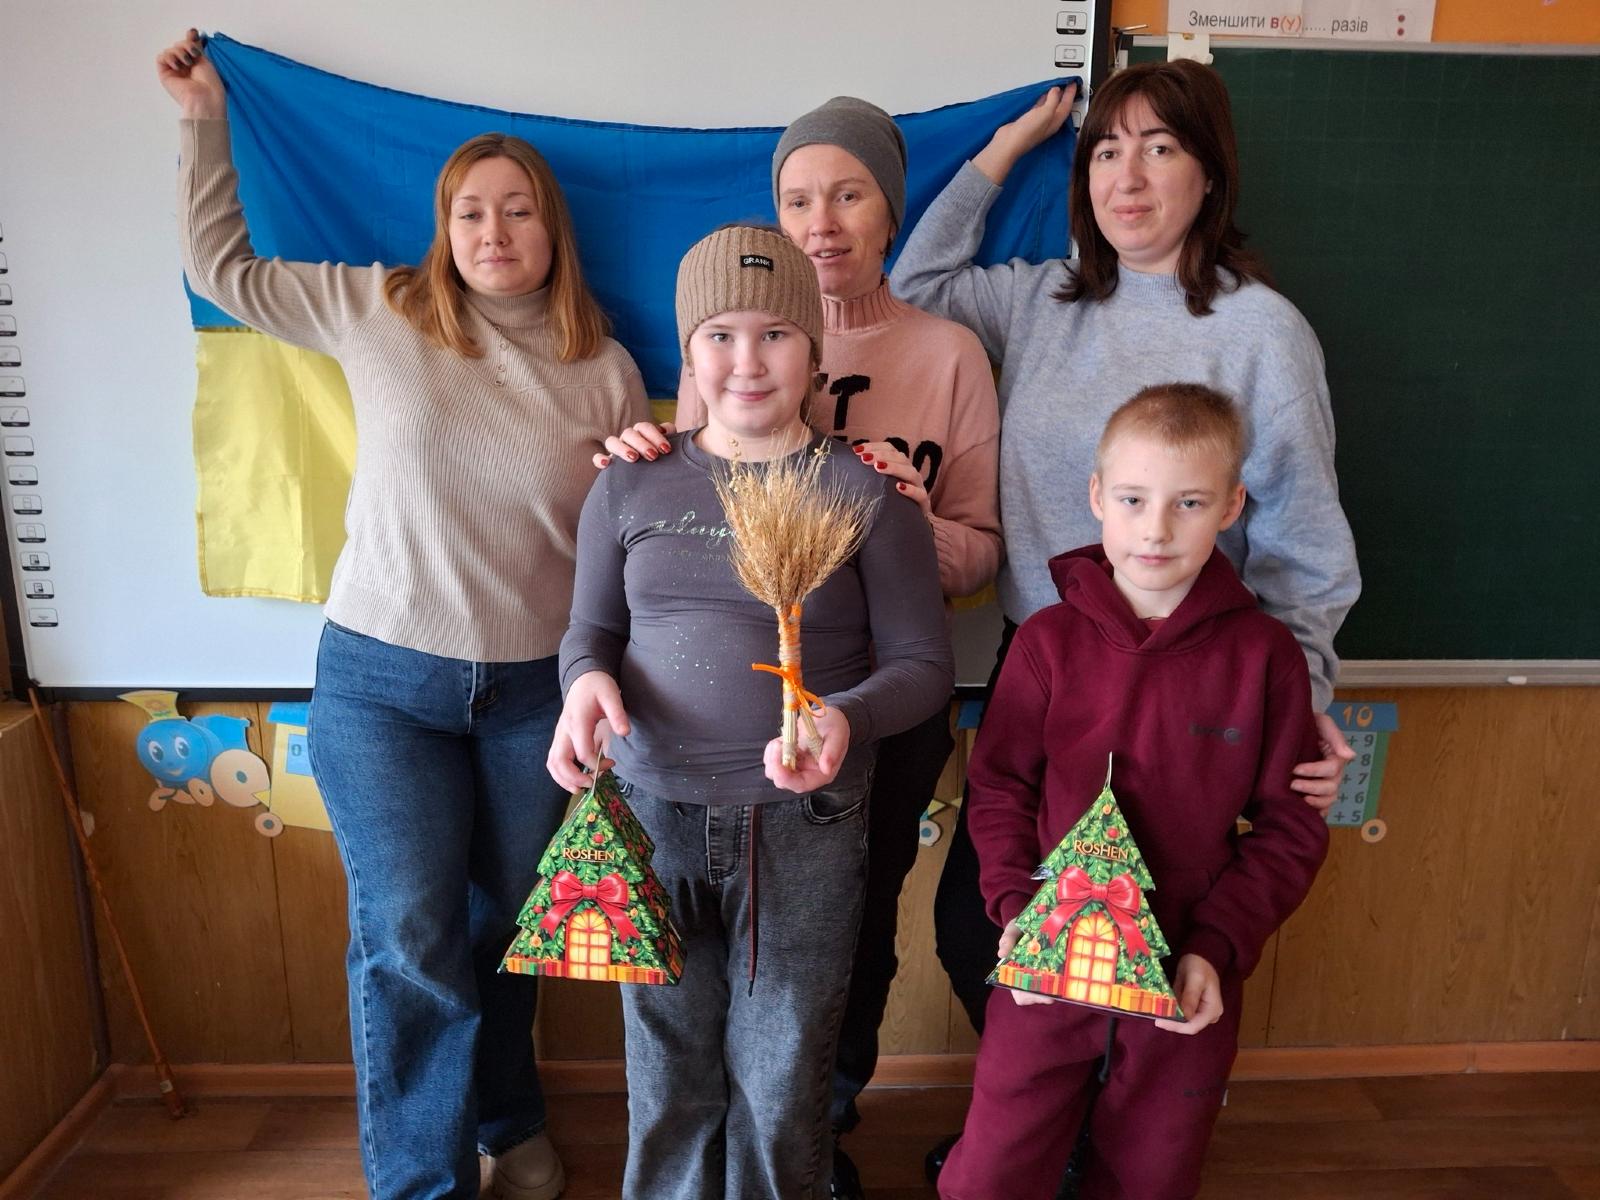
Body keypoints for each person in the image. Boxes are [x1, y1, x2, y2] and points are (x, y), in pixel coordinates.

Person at [158, 30, 647, 1200]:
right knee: (410, 936)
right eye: (470, 212)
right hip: (382, 686)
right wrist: (203, 120)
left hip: (532, 697)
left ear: (553, 230)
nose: (493, 232)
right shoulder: (382, 307)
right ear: (443, 228)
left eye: (517, 211)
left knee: (505, 928)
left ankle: (508, 1119)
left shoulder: (607, 369)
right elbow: (222, 269)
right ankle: (422, 1182)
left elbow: (621, 548)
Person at [888, 60, 1361, 1113]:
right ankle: (1050, 1128)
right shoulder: (1044, 300)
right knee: (980, 928)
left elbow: (1304, 544)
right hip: (1045, 664)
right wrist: (1004, 151)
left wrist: (1301, 700)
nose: (1128, 176)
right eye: (1105, 151)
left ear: (1210, 174)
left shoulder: (1260, 332)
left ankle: (1106, 1140)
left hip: (1196, 683)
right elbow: (914, 288)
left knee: (1163, 931)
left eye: (1160, 148)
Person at [597, 98, 1001, 1198]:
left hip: (841, 757)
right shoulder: (675, 424)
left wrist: (901, 520)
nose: (822, 221)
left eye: (848, 194)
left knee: (818, 994)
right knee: (678, 1040)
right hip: (679, 785)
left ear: (891, 211)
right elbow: (618, 601)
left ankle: (806, 1156)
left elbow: (963, 580)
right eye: (798, 199)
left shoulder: (932, 373)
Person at [938, 383, 1330, 1199]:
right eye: (1133, 499)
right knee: (995, 1171)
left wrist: (1217, 946)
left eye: (1189, 503)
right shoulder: (1046, 642)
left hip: (1186, 970)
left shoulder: (1264, 656)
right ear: (1096, 498)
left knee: (1153, 1174)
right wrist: (1017, 907)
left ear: (1231, 506)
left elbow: (1290, 824)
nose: (1155, 529)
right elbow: (1000, 787)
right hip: (1047, 960)